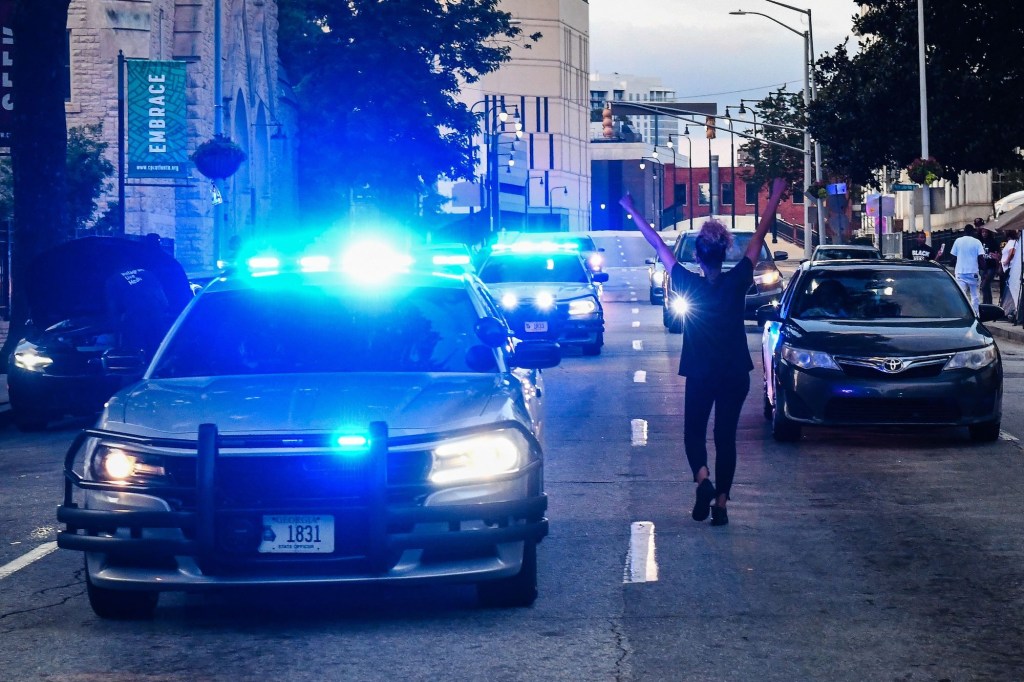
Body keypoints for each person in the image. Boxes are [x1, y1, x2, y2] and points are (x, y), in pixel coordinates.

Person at [619, 177, 787, 527]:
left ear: (698, 255)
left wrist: (632, 209)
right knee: (726, 437)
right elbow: (759, 236)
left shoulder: (684, 281)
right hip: (735, 374)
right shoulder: (739, 279)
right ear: (726, 252)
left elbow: (656, 242)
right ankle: (721, 506)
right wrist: (773, 196)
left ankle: (703, 479)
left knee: (693, 433)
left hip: (700, 373)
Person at [950, 224, 987, 313]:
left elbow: (953, 257)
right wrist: (984, 270)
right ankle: (975, 314)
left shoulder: (958, 241)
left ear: (964, 232)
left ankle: (960, 313)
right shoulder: (977, 242)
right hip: (973, 272)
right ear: (973, 232)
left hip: (960, 273)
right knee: (975, 296)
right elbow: (980, 258)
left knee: (961, 295)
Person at [976, 220, 1001, 305]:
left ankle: (987, 303)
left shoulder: (993, 242)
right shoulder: (979, 242)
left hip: (991, 266)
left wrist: (997, 266)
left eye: (986, 232)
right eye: (983, 232)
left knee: (984, 285)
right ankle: (987, 303)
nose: (984, 234)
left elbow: (997, 255)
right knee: (985, 287)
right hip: (983, 267)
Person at [1001, 229, 1021, 322]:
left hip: (1009, 268)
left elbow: (1012, 252)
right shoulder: (1010, 242)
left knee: (1009, 289)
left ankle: (1010, 311)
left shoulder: (1012, 242)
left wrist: (1007, 261)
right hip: (1007, 268)